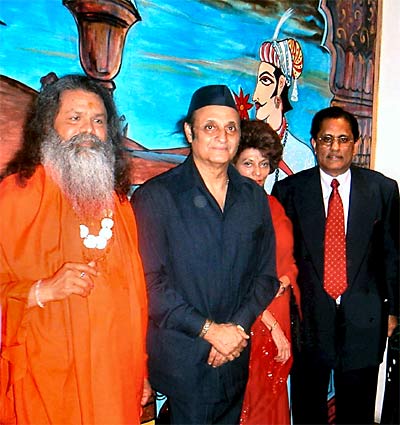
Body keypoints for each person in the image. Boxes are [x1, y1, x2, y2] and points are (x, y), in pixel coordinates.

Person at [0, 74, 150, 424]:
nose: (88, 130)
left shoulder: (119, 205)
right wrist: (39, 290)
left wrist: (141, 367)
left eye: (98, 121)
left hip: (115, 378)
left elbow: (138, 299)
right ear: (47, 127)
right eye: (74, 118)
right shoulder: (15, 197)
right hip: (48, 381)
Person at [132, 85, 280, 425]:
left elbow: (265, 275)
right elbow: (149, 284)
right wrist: (210, 331)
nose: (222, 137)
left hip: (233, 357)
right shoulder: (157, 197)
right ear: (190, 131)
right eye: (210, 126)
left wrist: (236, 330)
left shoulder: (253, 198)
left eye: (231, 127)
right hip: (179, 363)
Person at [272, 106, 399, 425]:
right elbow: (282, 257)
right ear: (314, 143)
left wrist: (394, 311)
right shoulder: (289, 191)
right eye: (327, 139)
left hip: (365, 319)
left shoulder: (382, 190)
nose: (335, 147)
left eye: (343, 139)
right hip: (309, 319)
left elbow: (393, 254)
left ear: (355, 143)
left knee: (357, 412)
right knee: (308, 408)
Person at [232, 119, 300, 425]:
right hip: (253, 319)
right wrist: (270, 325)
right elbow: (236, 279)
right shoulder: (230, 211)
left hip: (280, 309)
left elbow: (290, 260)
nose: (259, 173)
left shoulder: (273, 205)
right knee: (250, 402)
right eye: (248, 163)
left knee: (272, 401)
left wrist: (287, 277)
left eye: (264, 164)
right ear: (232, 163)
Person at [253, 8, 316, 193]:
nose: (256, 95)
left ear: (281, 84)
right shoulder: (242, 146)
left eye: (265, 81)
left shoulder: (302, 154)